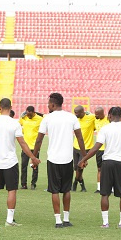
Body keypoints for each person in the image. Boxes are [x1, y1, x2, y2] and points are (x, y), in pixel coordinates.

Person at [33, 93, 87, 228]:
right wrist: (84, 157)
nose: (47, 106)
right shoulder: (71, 117)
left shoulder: (47, 118)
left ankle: (58, 220)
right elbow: (80, 138)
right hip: (67, 159)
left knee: (55, 190)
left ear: (52, 104)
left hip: (53, 159)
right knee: (67, 190)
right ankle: (67, 219)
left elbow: (39, 139)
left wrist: (34, 157)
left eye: (48, 103)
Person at [0, 98, 40, 226]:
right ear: (10, 107)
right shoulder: (15, 124)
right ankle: (9, 220)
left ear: (0, 107)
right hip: (10, 162)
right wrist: (33, 157)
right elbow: (23, 143)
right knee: (12, 190)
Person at [72, 105, 96, 192]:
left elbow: (99, 117)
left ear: (83, 112)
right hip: (75, 146)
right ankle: (82, 187)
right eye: (75, 112)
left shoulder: (91, 117)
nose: (75, 114)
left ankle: (74, 184)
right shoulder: (75, 119)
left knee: (80, 167)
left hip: (86, 147)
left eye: (77, 112)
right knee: (76, 168)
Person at [19, 106, 43, 190]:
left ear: (33, 112)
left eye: (29, 114)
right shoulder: (24, 118)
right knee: (23, 166)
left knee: (34, 166)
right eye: (27, 114)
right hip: (25, 146)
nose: (28, 116)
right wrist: (20, 116)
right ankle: (23, 184)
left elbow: (47, 117)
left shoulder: (40, 119)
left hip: (35, 147)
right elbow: (18, 124)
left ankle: (33, 184)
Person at [94, 107, 109, 194]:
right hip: (99, 149)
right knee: (99, 169)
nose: (96, 116)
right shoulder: (95, 120)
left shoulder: (108, 120)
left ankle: (110, 188)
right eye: (95, 114)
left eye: (97, 114)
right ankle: (99, 188)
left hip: (108, 149)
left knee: (109, 170)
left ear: (102, 113)